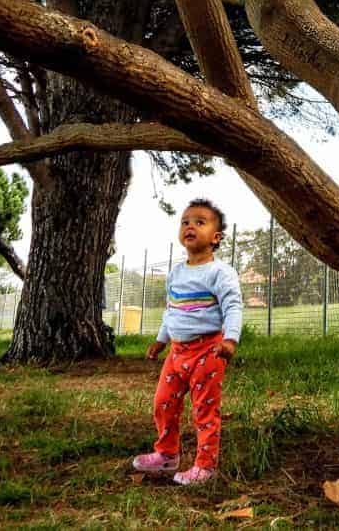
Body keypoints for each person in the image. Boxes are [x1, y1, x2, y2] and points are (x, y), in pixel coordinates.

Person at [131, 198, 242, 485]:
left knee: (204, 408)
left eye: (199, 222)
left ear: (216, 238)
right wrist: (160, 340)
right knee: (163, 402)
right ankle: (167, 453)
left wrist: (230, 340)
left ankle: (205, 466)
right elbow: (172, 311)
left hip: (208, 349)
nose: (190, 226)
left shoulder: (220, 273)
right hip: (177, 352)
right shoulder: (176, 274)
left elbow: (232, 307)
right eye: (185, 222)